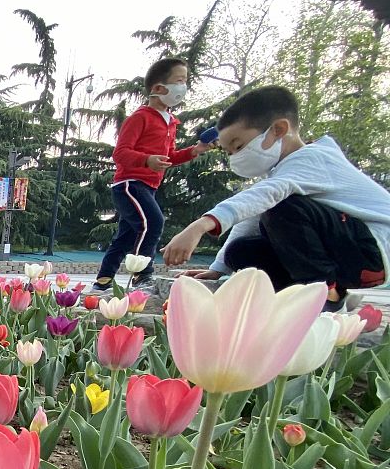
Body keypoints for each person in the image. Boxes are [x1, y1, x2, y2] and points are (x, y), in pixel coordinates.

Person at [163, 86, 389, 310]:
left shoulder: (313, 159)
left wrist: (201, 225)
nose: (236, 157)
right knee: (240, 252)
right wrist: (219, 267)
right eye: (230, 152)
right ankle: (313, 293)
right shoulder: (283, 174)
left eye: (239, 145)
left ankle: (323, 297)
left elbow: (267, 195)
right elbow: (253, 215)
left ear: (279, 129)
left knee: (283, 209)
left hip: (373, 250)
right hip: (348, 249)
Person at [93, 58, 209, 293]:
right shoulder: (141, 117)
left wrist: (193, 151)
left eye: (185, 81)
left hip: (149, 186)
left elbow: (169, 158)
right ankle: (141, 276)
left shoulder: (170, 123)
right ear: (158, 88)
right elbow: (121, 153)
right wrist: (146, 160)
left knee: (125, 236)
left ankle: (102, 282)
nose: (183, 87)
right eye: (179, 81)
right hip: (129, 184)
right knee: (153, 222)